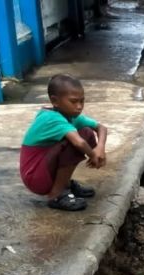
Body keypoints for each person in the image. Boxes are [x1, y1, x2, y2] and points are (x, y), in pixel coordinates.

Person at [19, 74, 108, 211]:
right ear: (55, 101)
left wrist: (100, 148)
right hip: (35, 177)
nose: (79, 106)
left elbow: (101, 127)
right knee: (77, 139)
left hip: (45, 171)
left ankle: (65, 185)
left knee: (86, 131)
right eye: (73, 101)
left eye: (82, 101)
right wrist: (93, 155)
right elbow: (79, 143)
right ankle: (57, 194)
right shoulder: (51, 118)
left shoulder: (70, 115)